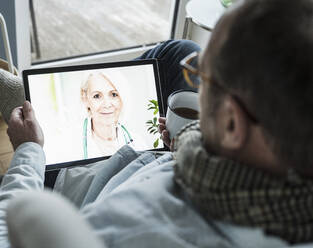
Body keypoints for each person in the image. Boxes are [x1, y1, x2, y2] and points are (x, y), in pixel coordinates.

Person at [0, 0, 313, 247]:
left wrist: (28, 151)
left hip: (76, 185)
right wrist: (191, 136)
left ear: (232, 124)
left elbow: (7, 233)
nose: (196, 78)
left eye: (201, 75)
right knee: (180, 51)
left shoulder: (134, 231)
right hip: (161, 156)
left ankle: (19, 99)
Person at [80, 71, 136, 158]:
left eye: (114, 95)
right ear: (85, 99)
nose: (107, 105)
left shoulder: (137, 142)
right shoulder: (69, 146)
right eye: (97, 96)